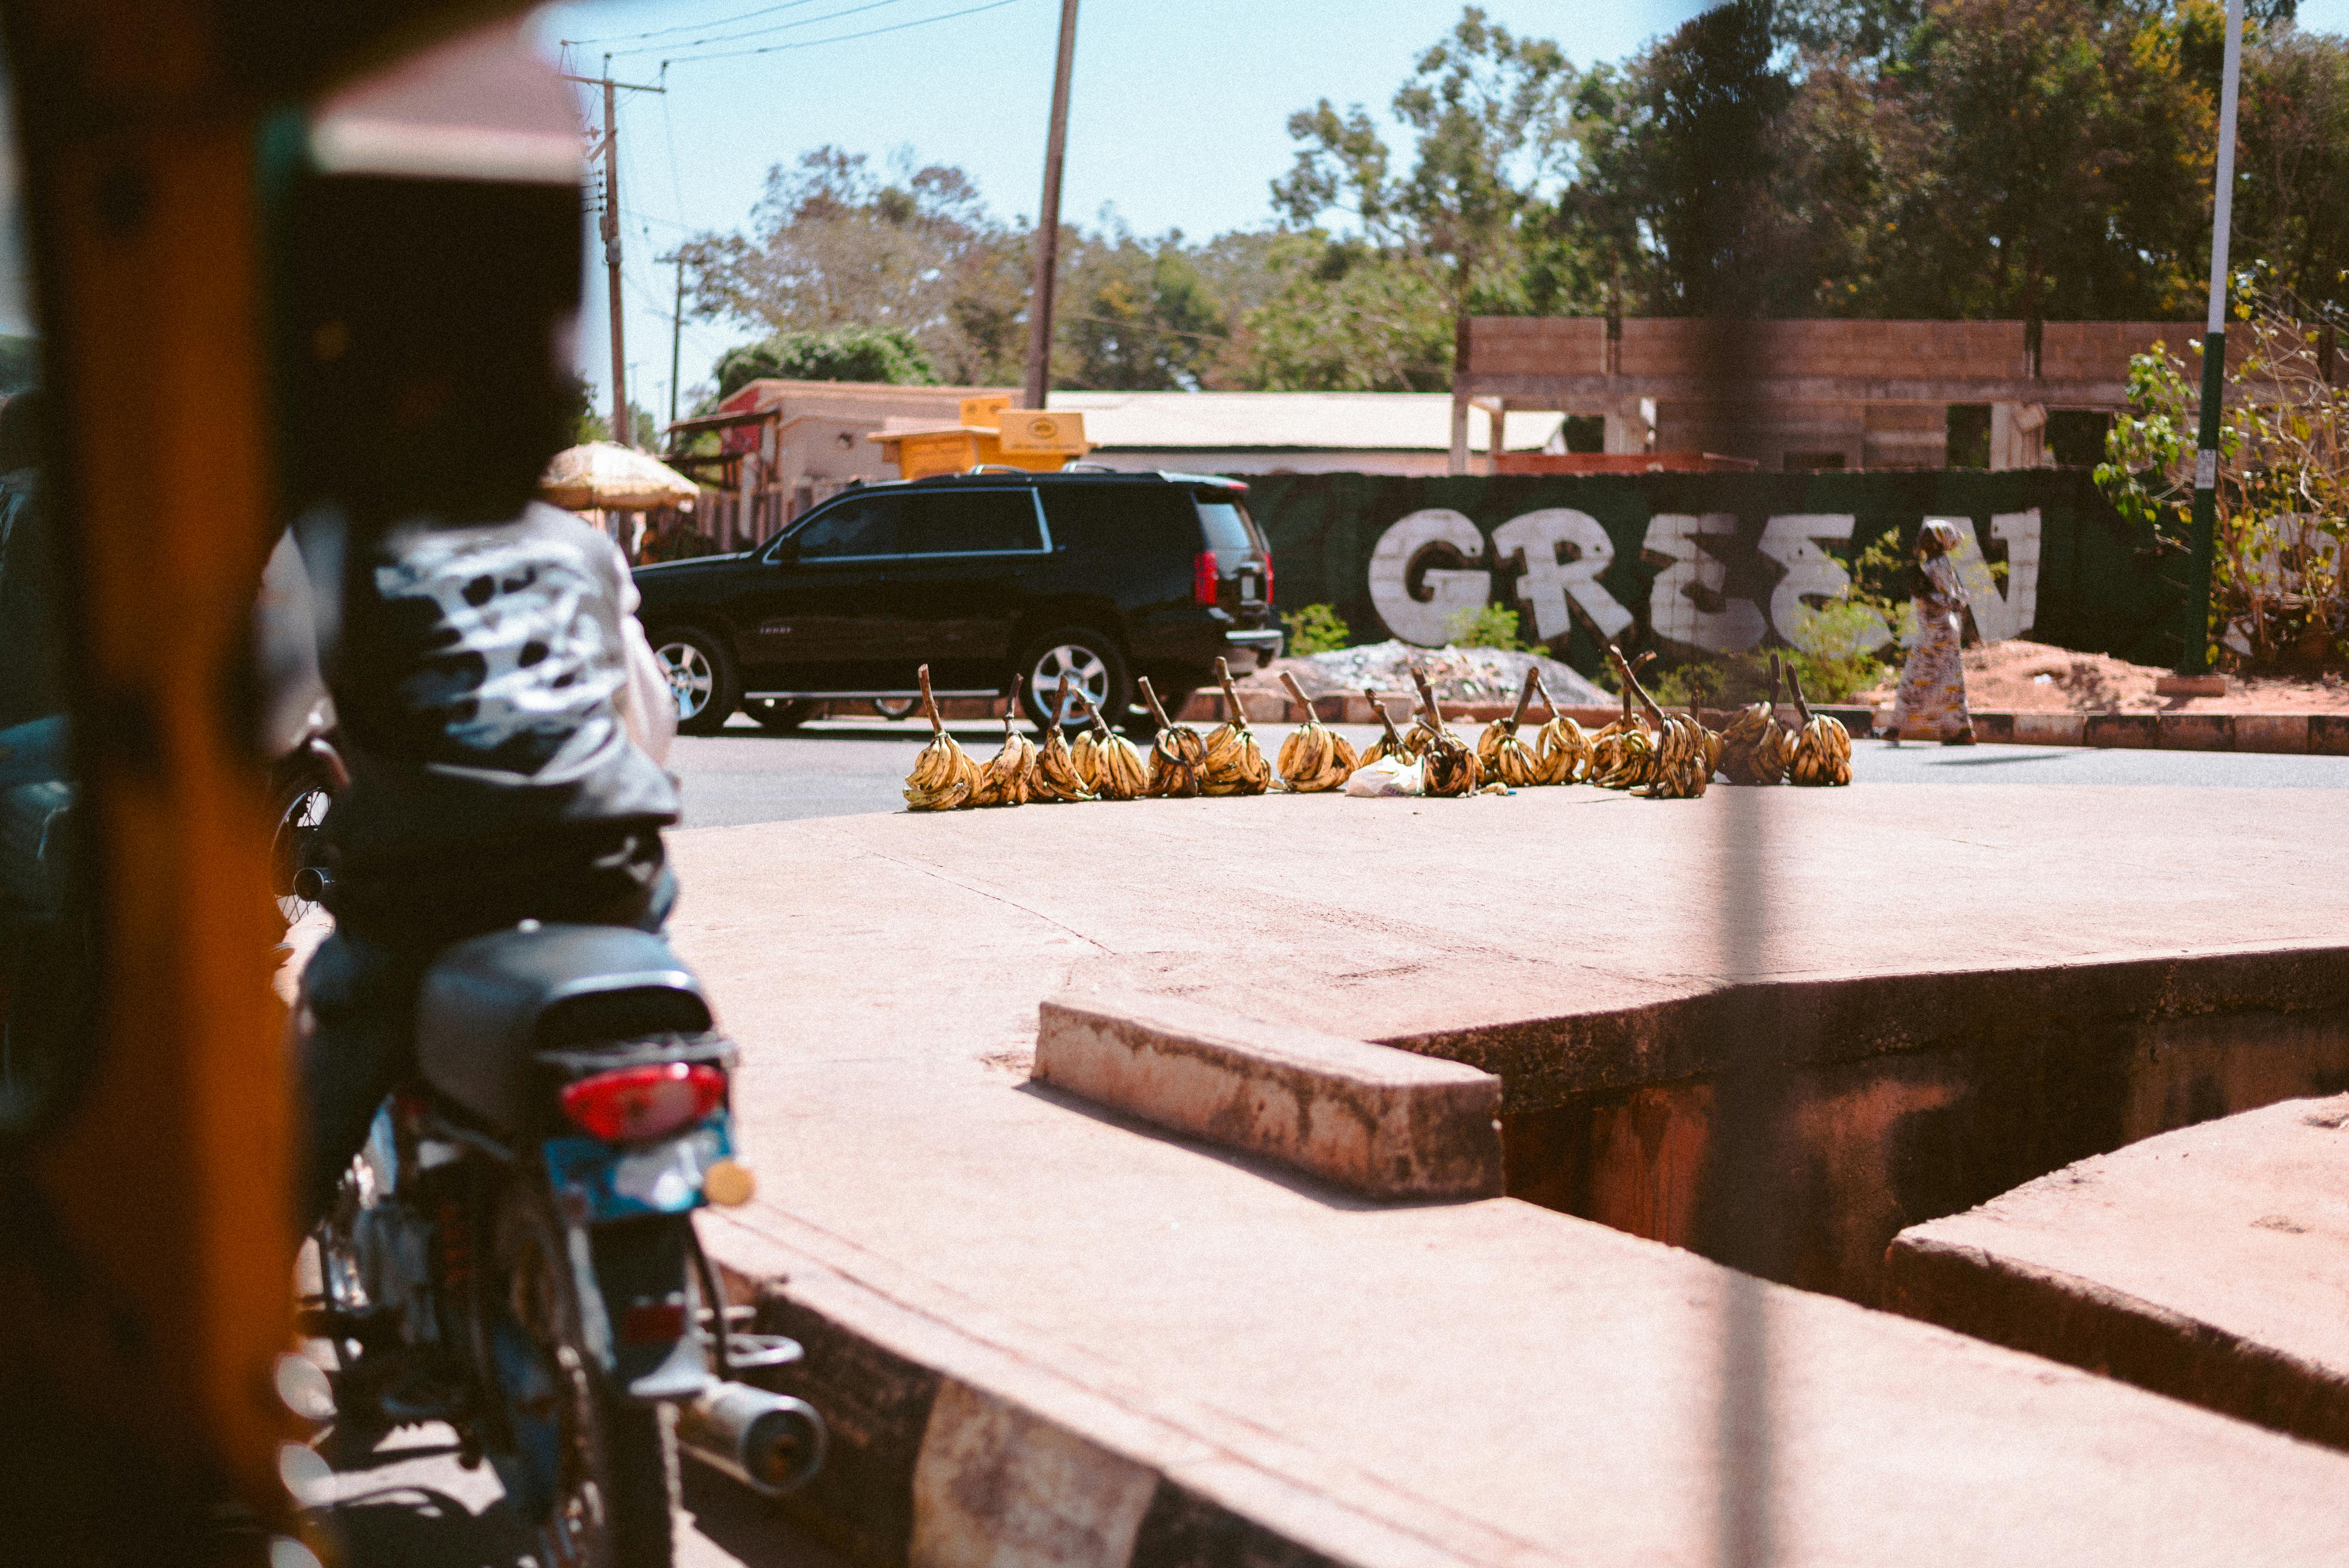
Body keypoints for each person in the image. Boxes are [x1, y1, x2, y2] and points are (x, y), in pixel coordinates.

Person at [278, 167, 683, 1226]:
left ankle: (252, 1333)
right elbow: (650, 726)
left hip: (426, 889)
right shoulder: (571, 545)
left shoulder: (334, 540)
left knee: (311, 1093)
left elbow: (265, 717)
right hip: (609, 866)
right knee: (651, 1007)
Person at [1884, 519, 1975, 745]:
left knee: (1913, 678)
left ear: (1938, 543)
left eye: (1928, 536)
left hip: (1935, 632)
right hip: (1948, 630)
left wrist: (1924, 592)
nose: (1922, 539)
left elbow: (1945, 599)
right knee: (1952, 680)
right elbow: (1961, 598)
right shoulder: (1944, 565)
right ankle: (1963, 731)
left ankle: (1895, 729)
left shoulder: (1934, 567)